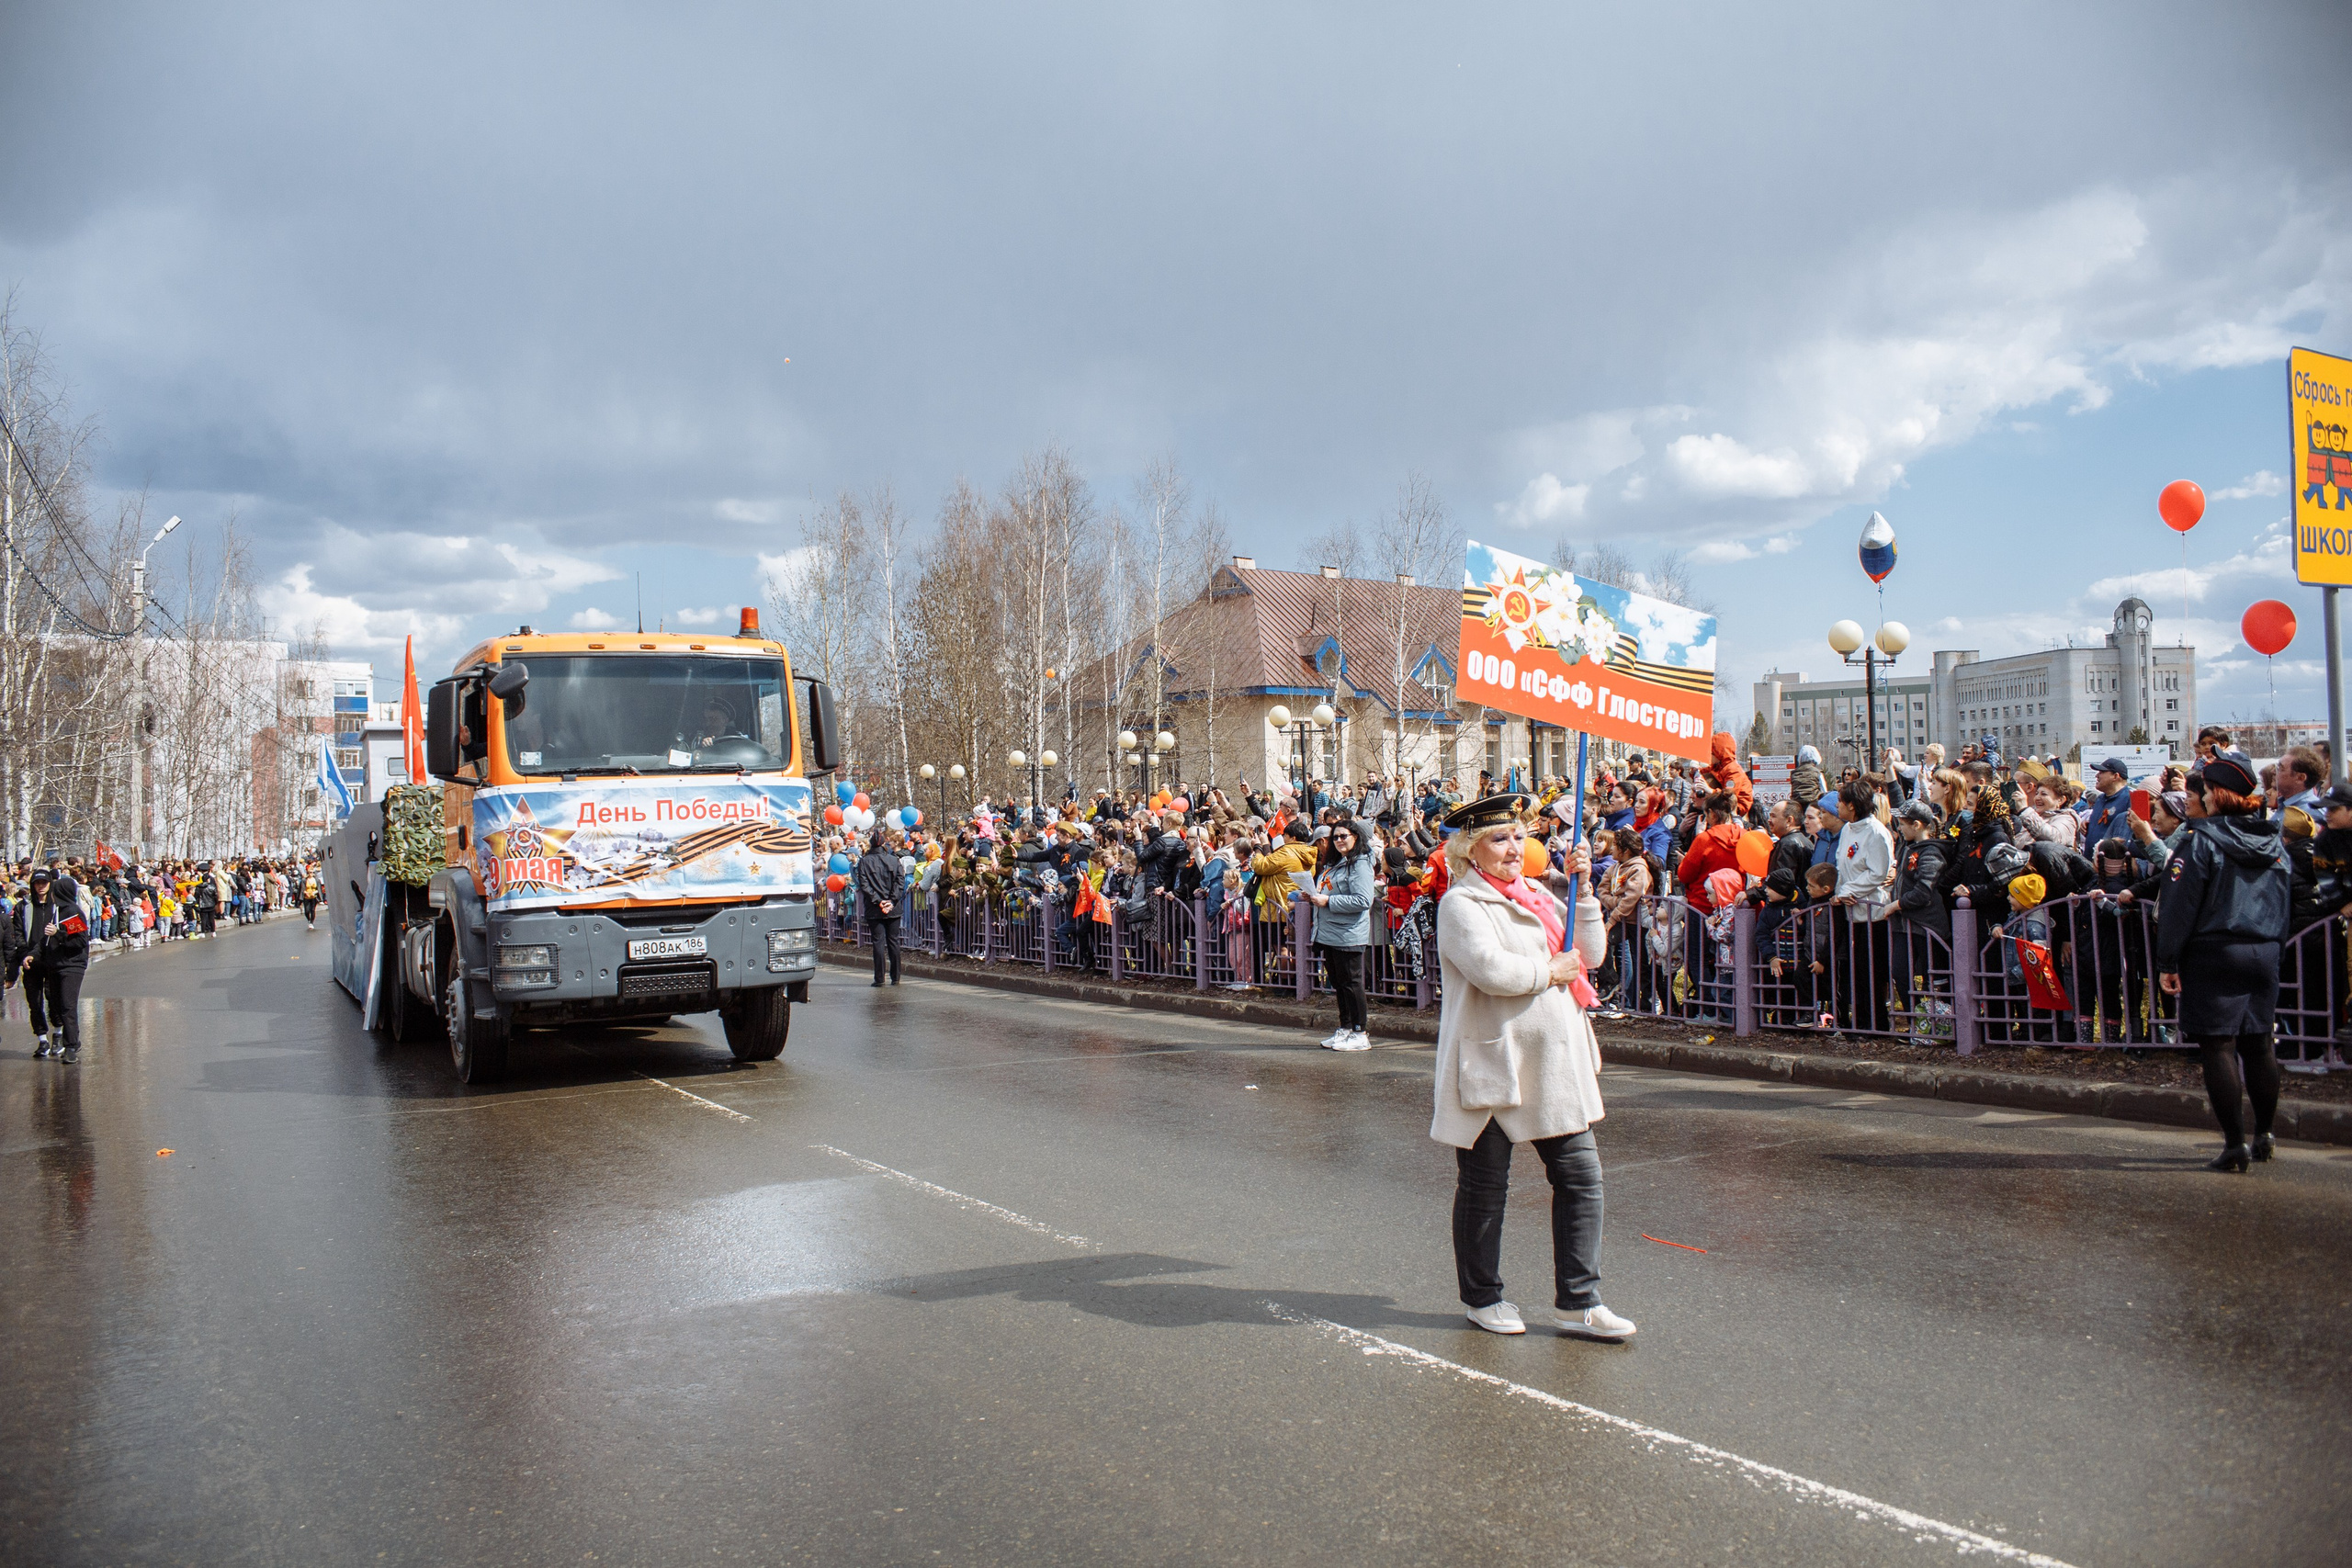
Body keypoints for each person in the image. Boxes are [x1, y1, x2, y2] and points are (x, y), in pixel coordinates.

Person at [1430, 793, 1634, 1343]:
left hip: (1554, 1065)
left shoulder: (1539, 894)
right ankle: (1483, 1296)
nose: (1514, 848)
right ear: (1471, 851)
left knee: (1581, 1179)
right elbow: (1491, 970)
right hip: (1496, 1063)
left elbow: (1587, 955)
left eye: (1520, 837)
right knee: (1484, 1187)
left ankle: (1579, 1301)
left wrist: (1586, 892)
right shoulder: (1461, 904)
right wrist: (1550, 971)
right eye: (1500, 839)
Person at [2156, 751, 2293, 1172]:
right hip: (2264, 947)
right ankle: (2265, 1135)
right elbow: (2284, 900)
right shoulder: (2273, 841)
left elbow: (2180, 908)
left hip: (2215, 950)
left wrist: (2168, 960)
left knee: (2218, 1046)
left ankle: (2235, 1144)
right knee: (2258, 1043)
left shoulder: (2200, 841)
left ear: (2215, 795)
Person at [1306, 818, 1378, 1049]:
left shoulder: (1360, 863)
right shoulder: (1334, 864)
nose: (1338, 841)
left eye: (1343, 836)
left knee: (1352, 983)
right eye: (1334, 837)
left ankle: (1360, 1032)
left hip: (1348, 934)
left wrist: (1328, 901)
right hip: (1329, 932)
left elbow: (1362, 900)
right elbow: (1327, 890)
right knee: (1339, 983)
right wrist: (1311, 894)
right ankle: (1345, 1028)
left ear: (1355, 837)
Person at [8, 867, 91, 1062]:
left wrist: (58, 934)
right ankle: (59, 1041)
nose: (44, 889)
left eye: (49, 886)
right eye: (38, 884)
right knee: (48, 1003)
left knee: (66, 1006)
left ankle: (70, 1046)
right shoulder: (42, 908)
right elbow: (42, 941)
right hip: (54, 963)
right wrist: (30, 955)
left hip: (71, 966)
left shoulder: (71, 911)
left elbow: (80, 941)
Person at [854, 828, 907, 987]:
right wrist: (891, 900)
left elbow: (864, 885)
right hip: (893, 907)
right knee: (893, 941)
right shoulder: (893, 860)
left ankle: (879, 978)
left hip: (874, 907)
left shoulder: (864, 861)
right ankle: (896, 977)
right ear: (884, 844)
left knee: (878, 942)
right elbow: (900, 881)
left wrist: (878, 901)